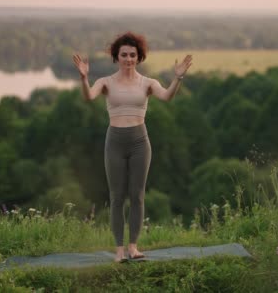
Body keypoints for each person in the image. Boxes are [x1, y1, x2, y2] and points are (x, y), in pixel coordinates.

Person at [72, 31, 193, 263]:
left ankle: (133, 247)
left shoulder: (148, 83)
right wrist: (83, 78)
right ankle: (119, 250)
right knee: (117, 196)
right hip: (115, 142)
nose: (128, 58)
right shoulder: (105, 82)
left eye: (133, 55)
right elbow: (88, 97)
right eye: (124, 54)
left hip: (140, 142)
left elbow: (167, 97)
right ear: (116, 57)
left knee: (137, 196)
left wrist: (177, 78)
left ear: (139, 57)